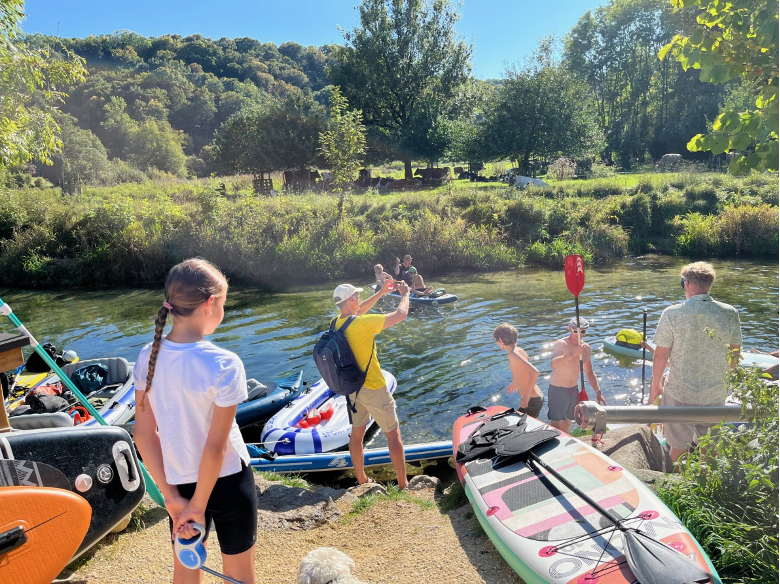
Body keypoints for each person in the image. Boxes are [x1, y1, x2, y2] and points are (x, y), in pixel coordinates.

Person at [133, 258, 256, 584]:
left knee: (186, 573)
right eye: (223, 304)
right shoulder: (225, 364)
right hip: (229, 482)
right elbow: (216, 448)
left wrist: (173, 499)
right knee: (240, 577)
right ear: (210, 303)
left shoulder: (147, 357)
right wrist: (198, 507)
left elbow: (143, 435)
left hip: (179, 484)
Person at [650, 262, 742, 463]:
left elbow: (660, 356)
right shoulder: (730, 313)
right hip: (715, 394)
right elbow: (735, 355)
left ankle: (676, 481)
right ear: (709, 285)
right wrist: (725, 385)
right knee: (710, 449)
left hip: (680, 393)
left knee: (677, 448)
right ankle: (707, 481)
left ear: (687, 284)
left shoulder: (672, 313)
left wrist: (655, 386)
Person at [332, 278, 411, 489]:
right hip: (374, 387)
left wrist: (382, 292)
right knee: (393, 434)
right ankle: (403, 485)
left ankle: (361, 479)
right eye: (357, 295)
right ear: (350, 300)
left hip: (352, 388)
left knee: (357, 433)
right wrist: (405, 294)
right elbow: (401, 314)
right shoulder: (362, 324)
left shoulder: (337, 322)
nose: (360, 298)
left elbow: (358, 312)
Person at [548, 316, 606, 432]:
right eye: (576, 331)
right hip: (557, 389)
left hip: (573, 389)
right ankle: (555, 438)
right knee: (556, 422)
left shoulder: (586, 348)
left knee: (568, 421)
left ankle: (565, 439)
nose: (579, 334)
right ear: (570, 328)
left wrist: (597, 391)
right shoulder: (561, 343)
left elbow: (589, 372)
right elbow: (553, 364)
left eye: (582, 332)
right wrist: (573, 354)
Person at [493, 323, 544, 418]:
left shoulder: (512, 354)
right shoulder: (519, 350)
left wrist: (526, 396)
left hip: (531, 400)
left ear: (500, 340)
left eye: (496, 341)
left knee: (519, 424)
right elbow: (524, 371)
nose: (497, 344)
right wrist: (515, 382)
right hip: (535, 398)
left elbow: (534, 372)